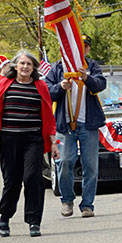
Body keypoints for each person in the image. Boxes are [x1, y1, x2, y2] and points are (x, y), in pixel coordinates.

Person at [0, 51, 57, 237]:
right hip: (9, 139)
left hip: (33, 140)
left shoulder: (40, 86)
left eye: (29, 64)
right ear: (15, 66)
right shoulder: (4, 84)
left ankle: (34, 221)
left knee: (33, 178)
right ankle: (5, 217)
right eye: (22, 63)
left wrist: (53, 142)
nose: (25, 67)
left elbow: (49, 117)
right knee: (12, 181)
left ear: (33, 68)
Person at [45, 36, 106, 217]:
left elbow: (101, 84)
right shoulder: (57, 68)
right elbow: (47, 92)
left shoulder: (92, 66)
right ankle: (67, 199)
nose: (81, 50)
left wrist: (86, 78)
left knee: (91, 166)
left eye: (85, 47)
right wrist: (60, 86)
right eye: (77, 47)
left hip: (88, 124)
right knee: (64, 161)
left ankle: (87, 204)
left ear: (87, 50)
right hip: (65, 125)